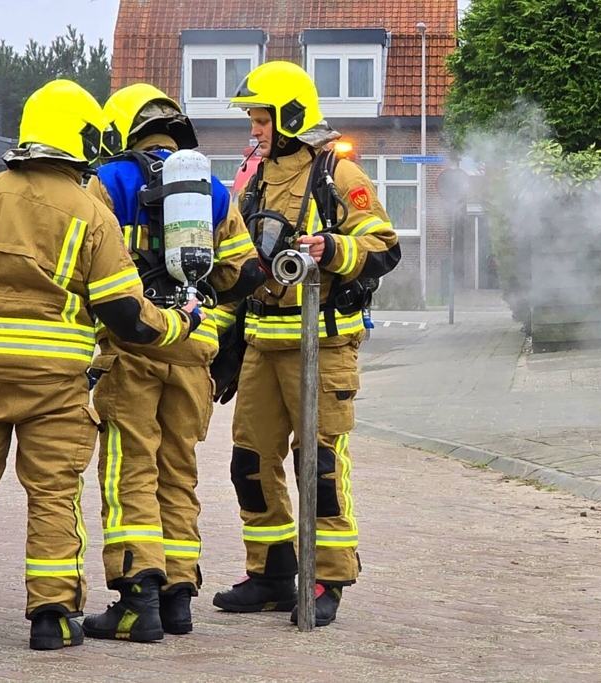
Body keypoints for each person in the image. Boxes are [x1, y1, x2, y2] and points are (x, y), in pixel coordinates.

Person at [0, 79, 203, 651]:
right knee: (52, 495)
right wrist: (179, 324)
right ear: (82, 138)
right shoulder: (91, 214)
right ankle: (52, 618)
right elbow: (126, 317)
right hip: (56, 386)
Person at [212, 61, 401, 627]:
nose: (255, 128)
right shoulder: (255, 177)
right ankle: (271, 572)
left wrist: (333, 251)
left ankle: (329, 576)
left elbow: (384, 245)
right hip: (261, 344)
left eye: (262, 116)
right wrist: (219, 342)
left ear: (291, 114)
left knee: (318, 463)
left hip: (323, 343)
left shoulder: (336, 174)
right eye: (251, 117)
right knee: (249, 461)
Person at [80, 83, 262, 642]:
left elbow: (80, 260)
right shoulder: (210, 188)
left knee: (130, 467)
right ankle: (180, 595)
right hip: (192, 347)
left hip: (134, 346)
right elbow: (246, 274)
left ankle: (139, 601)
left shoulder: (107, 181)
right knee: (178, 470)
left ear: (122, 131)